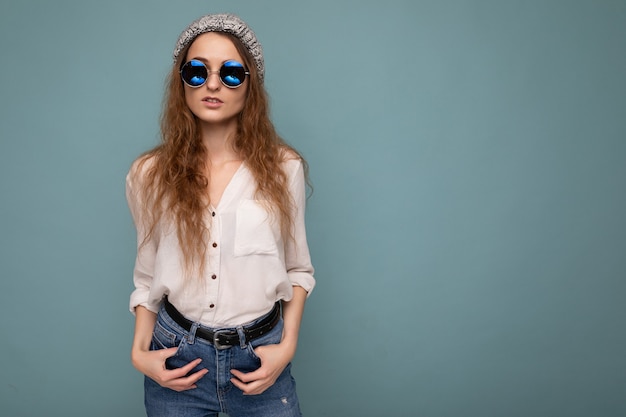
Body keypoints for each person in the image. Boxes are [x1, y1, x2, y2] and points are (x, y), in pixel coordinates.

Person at [125, 13, 315, 417]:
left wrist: (288, 347)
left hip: (261, 357)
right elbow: (147, 275)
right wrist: (140, 354)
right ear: (182, 82)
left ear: (251, 86)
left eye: (230, 73)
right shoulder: (149, 174)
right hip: (178, 360)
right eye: (197, 71)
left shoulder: (285, 168)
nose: (212, 84)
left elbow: (298, 270)